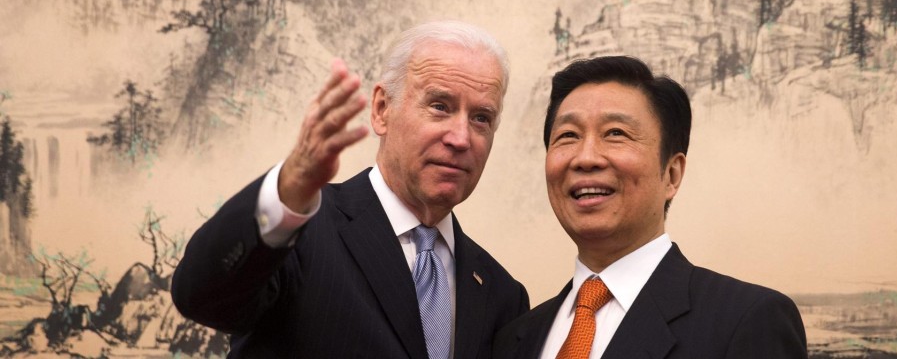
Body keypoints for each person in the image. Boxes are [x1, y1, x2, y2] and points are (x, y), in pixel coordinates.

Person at [172, 20, 530, 358]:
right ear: (381, 109)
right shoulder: (298, 233)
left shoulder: (503, 296)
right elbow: (202, 297)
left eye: (481, 118)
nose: (461, 138)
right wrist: (290, 185)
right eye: (439, 106)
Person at [494, 56, 807, 359]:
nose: (585, 157)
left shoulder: (747, 319)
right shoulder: (515, 338)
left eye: (615, 133)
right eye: (568, 135)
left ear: (671, 174)